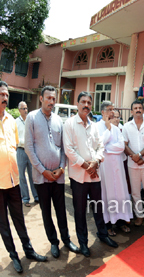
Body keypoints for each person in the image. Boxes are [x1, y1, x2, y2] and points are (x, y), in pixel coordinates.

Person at [25, 86, 80, 259]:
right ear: (41, 99)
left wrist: (61, 168)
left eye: (53, 99)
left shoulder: (58, 120)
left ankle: (66, 239)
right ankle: (54, 242)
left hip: (58, 177)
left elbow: (63, 148)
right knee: (46, 211)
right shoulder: (32, 118)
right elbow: (29, 147)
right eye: (48, 98)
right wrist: (43, 171)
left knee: (61, 209)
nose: (51, 101)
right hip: (40, 178)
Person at [63, 91, 118, 257]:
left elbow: (100, 146)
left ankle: (103, 235)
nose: (86, 105)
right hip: (79, 176)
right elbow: (69, 149)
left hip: (94, 176)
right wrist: (87, 166)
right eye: (83, 102)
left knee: (98, 207)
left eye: (89, 102)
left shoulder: (94, 125)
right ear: (77, 104)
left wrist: (96, 162)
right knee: (79, 211)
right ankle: (83, 243)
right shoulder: (70, 124)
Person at [0, 81, 47, 273]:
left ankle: (28, 250)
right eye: (1, 95)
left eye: (6, 95)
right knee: (4, 224)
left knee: (19, 219)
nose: (5, 98)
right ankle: (13, 256)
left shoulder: (11, 121)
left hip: (14, 182)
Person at [97, 101, 132, 236]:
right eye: (109, 109)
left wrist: (107, 149)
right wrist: (107, 129)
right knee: (107, 194)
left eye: (113, 109)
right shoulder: (97, 127)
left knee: (120, 193)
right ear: (102, 112)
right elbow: (99, 145)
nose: (112, 112)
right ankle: (108, 224)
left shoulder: (117, 129)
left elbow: (121, 147)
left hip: (117, 166)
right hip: (105, 168)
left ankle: (121, 222)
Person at [123, 100, 144, 228]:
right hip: (133, 164)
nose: (138, 110)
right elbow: (124, 144)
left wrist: (140, 156)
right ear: (131, 111)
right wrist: (134, 157)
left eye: (140, 108)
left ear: (143, 110)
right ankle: (139, 216)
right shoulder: (126, 126)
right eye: (135, 108)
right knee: (136, 192)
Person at [15, 101, 38, 207]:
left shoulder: (30, 121)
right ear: (19, 110)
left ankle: (36, 196)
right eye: (23, 108)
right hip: (20, 150)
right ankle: (25, 198)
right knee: (22, 176)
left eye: (26, 108)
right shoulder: (16, 122)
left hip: (30, 150)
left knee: (32, 174)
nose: (25, 110)